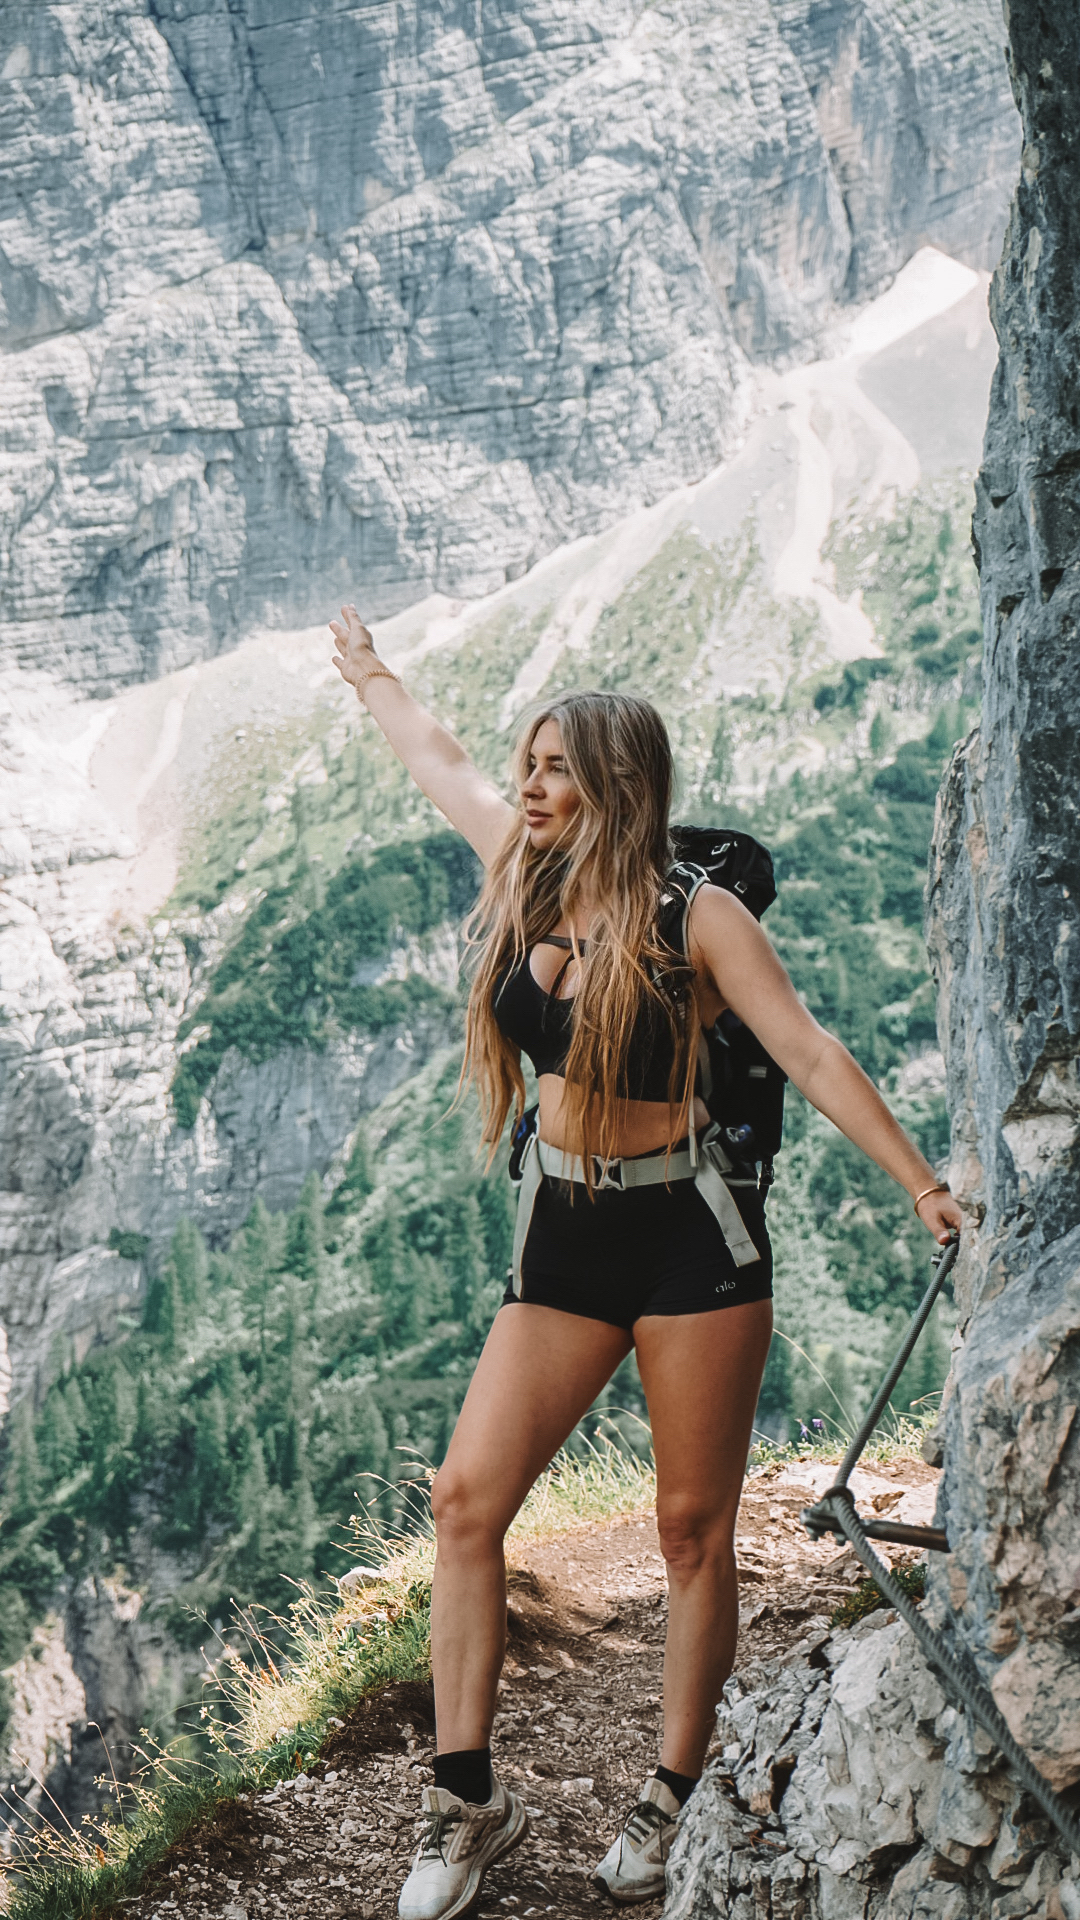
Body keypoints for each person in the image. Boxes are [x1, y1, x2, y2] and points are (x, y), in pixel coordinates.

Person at [328, 604, 963, 1918]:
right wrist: (374, 677)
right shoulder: (524, 866)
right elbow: (438, 758)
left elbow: (812, 1052)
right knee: (465, 1503)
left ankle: (670, 1795)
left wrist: (922, 1186)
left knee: (689, 1531)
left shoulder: (701, 916)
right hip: (565, 1233)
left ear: (617, 784)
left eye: (558, 767)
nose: (530, 783)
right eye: (531, 761)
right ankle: (466, 1800)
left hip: (689, 1239)